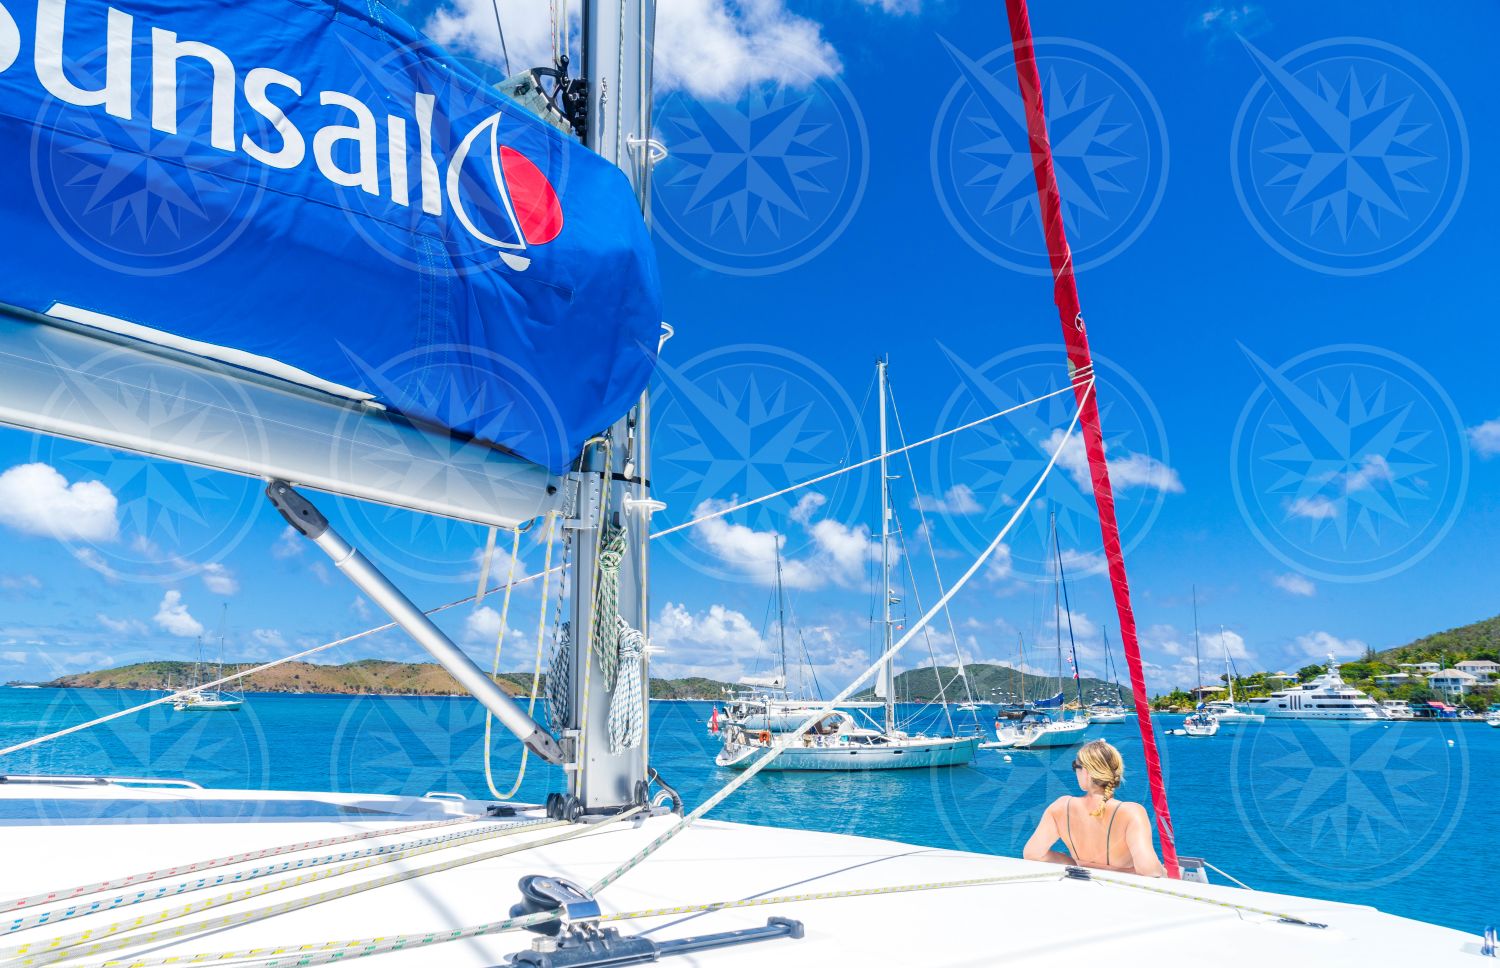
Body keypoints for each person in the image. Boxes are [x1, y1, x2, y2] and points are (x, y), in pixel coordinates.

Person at [1021, 739, 1165, 877]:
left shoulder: (1061, 807)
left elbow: (1032, 854)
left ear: (1086, 772)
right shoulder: (1131, 812)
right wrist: (1163, 871)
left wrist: (1072, 863)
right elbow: (1149, 869)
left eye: (1075, 766)